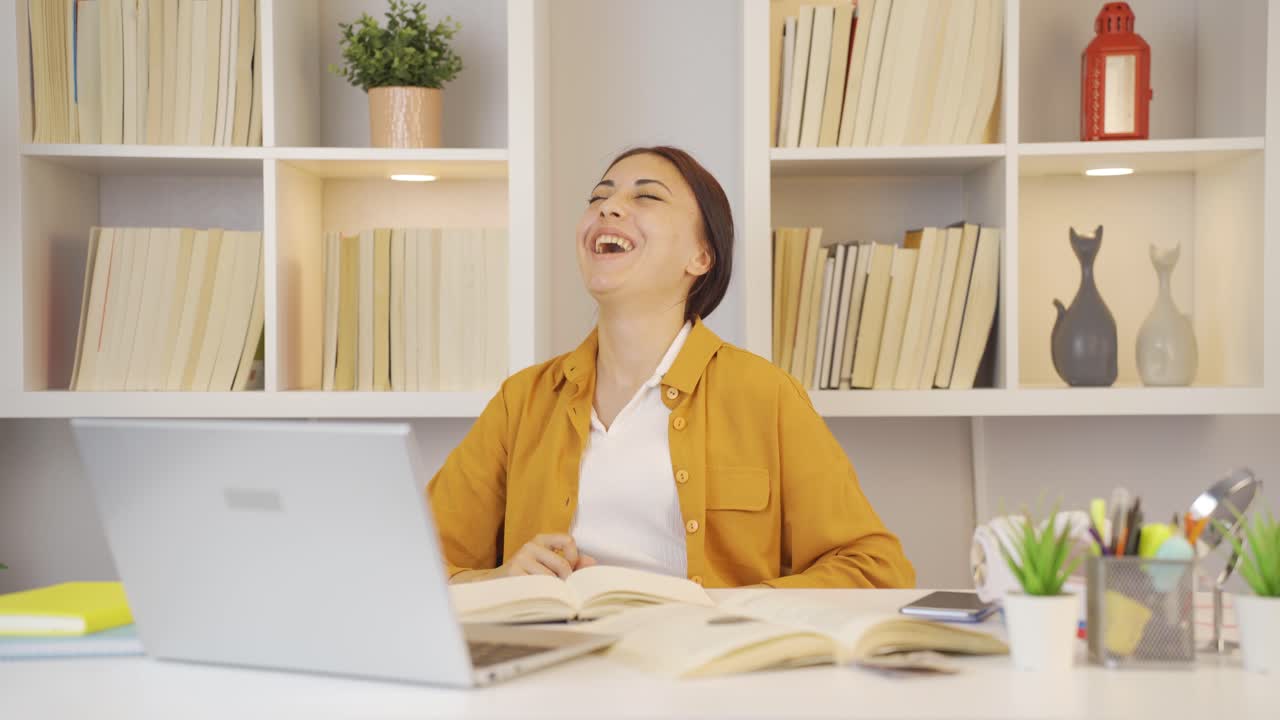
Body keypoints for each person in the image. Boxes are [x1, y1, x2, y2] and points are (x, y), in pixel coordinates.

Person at [428, 145, 914, 588]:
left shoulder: (765, 395)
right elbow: (416, 562)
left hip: (701, 675)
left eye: (647, 198)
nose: (609, 207)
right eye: (600, 196)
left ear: (701, 256)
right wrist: (501, 581)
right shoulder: (523, 401)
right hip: (554, 673)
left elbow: (874, 568)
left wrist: (728, 611)